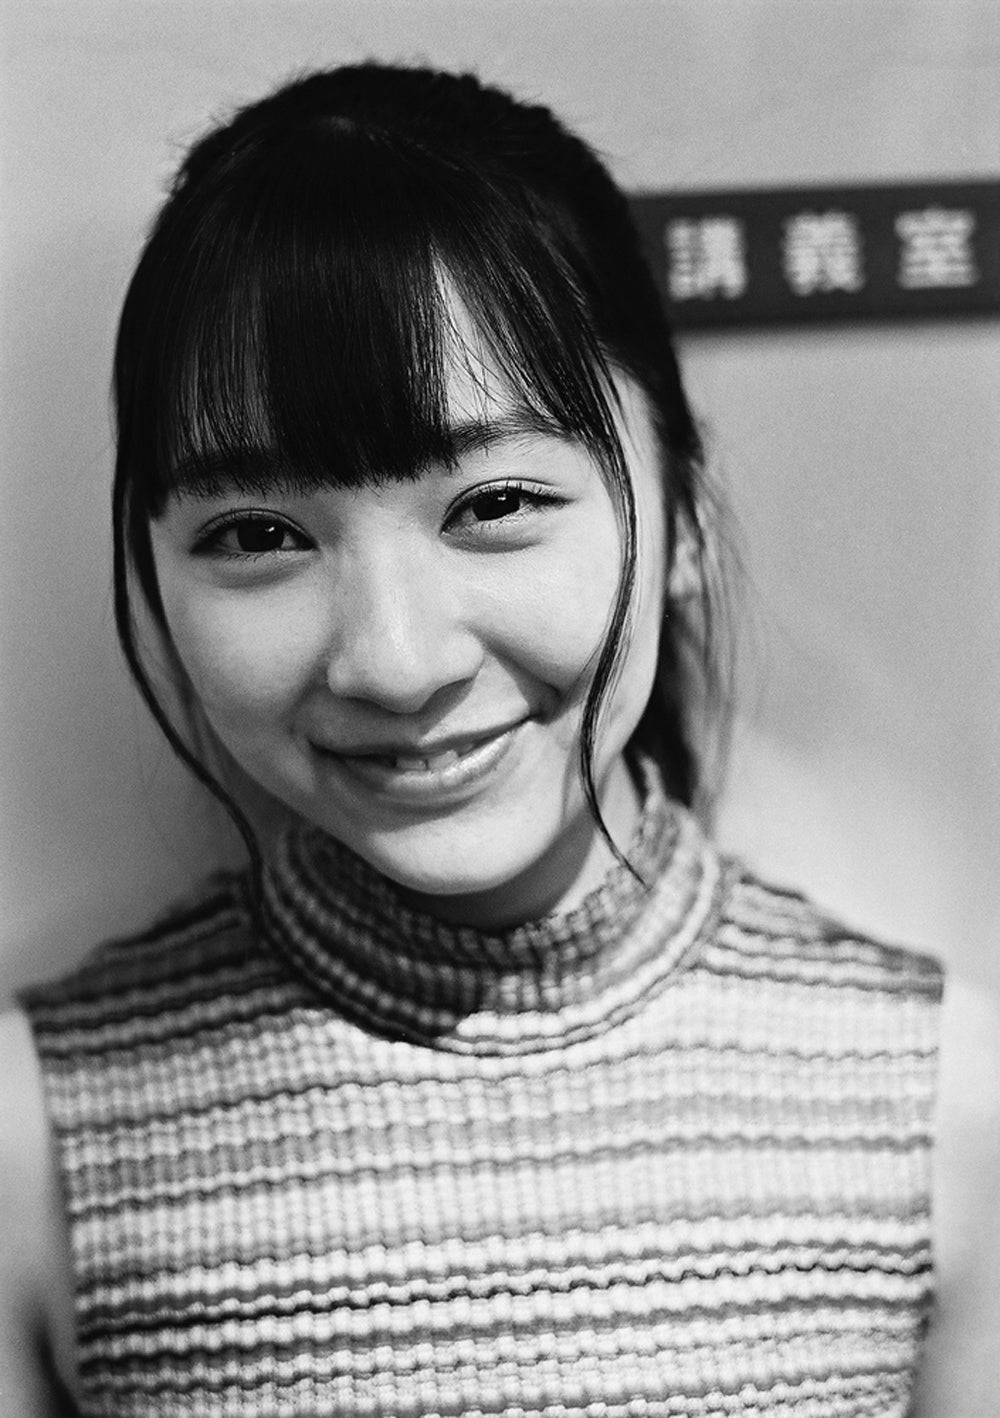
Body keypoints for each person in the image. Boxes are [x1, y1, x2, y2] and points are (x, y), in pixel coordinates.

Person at [0, 61, 997, 1418]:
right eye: (259, 533)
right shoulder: (36, 1143)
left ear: (686, 518)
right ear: (153, 577)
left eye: (497, 504)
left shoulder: (947, 1112)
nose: (394, 659)